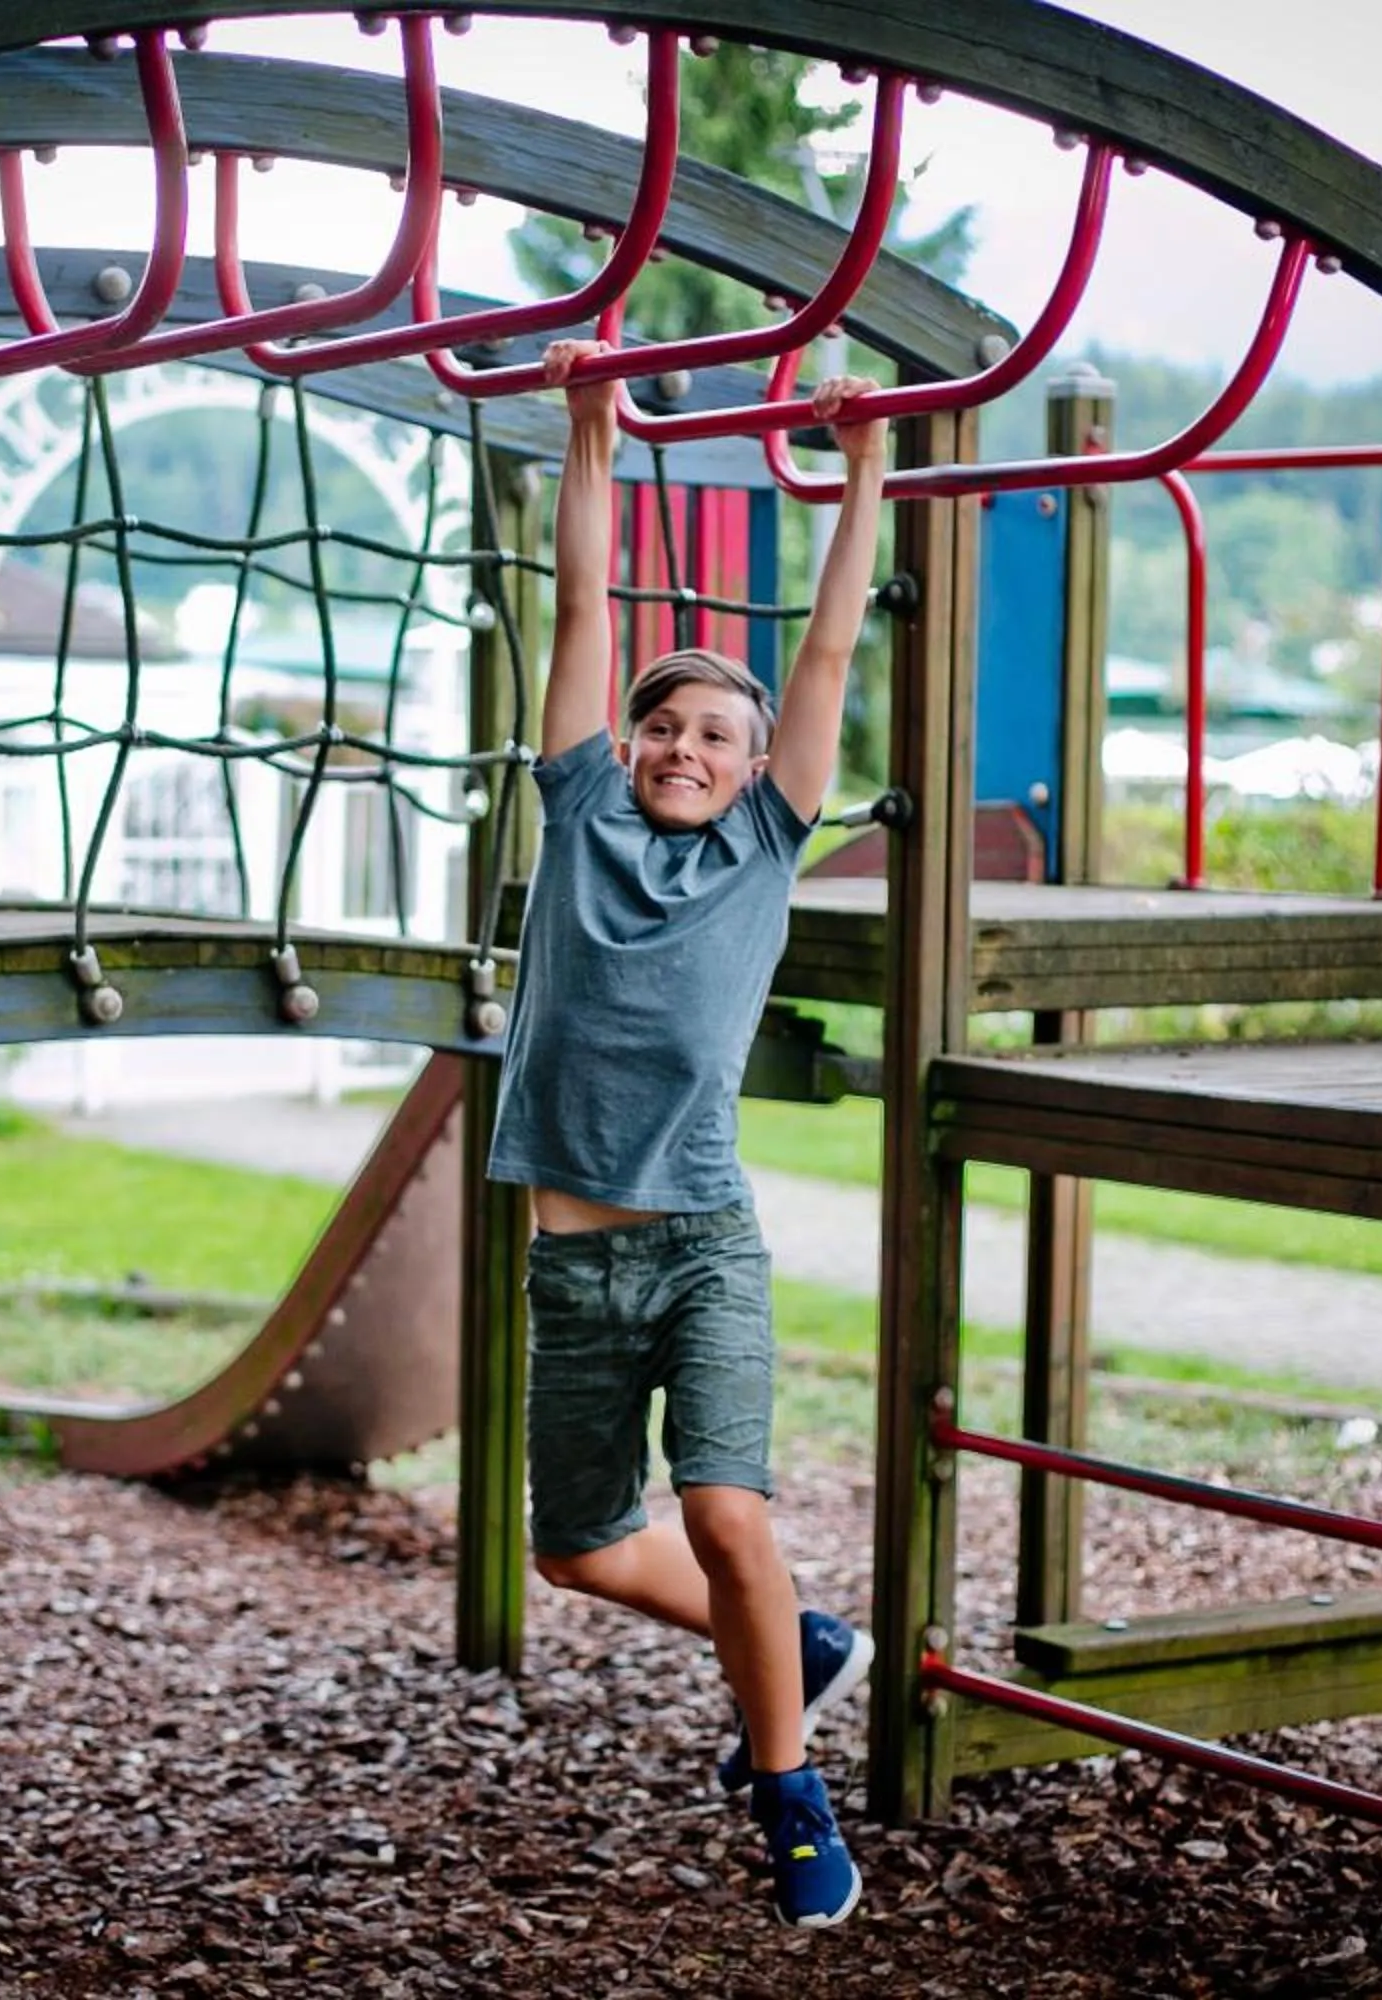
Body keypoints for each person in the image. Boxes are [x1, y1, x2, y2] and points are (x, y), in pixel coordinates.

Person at [485, 338, 889, 1930]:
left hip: (705, 1246)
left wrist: (864, 467)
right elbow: (582, 608)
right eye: (664, 725)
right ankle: (804, 1644)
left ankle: (788, 1789)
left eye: (717, 737)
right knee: (580, 1553)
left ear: (753, 771)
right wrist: (589, 424)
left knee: (725, 1515)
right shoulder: (581, 809)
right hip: (573, 1269)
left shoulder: (764, 849)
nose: (684, 749)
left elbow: (831, 651)